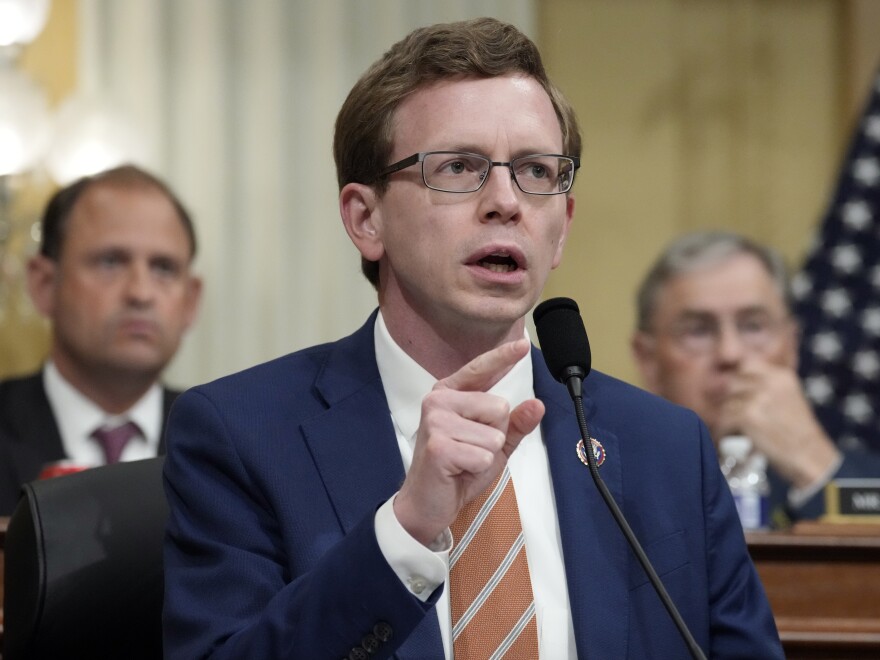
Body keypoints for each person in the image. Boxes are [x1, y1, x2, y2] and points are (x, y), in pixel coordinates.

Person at [163, 18, 782, 659]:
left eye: (536, 171)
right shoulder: (242, 437)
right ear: (365, 218)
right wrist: (405, 533)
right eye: (458, 168)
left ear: (562, 226)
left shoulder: (668, 451)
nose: (506, 202)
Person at [631, 230, 880, 525]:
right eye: (698, 330)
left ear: (791, 347)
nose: (730, 353)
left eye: (753, 326)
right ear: (648, 360)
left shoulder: (867, 476)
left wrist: (815, 468)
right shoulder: (610, 482)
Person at [0, 165, 202, 516]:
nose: (140, 293)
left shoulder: (223, 445)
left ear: (190, 301)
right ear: (44, 285)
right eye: (110, 262)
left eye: (164, 268)